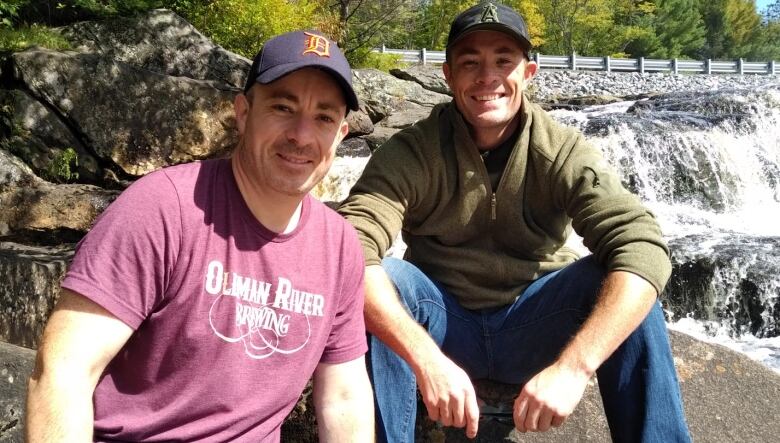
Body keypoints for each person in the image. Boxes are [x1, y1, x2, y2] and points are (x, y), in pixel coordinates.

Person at [338, 2, 690, 442]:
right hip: (444, 324)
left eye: (504, 60)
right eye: (470, 62)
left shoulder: (560, 149)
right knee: (381, 278)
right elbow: (351, 244)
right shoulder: (412, 152)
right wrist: (426, 360)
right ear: (448, 75)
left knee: (622, 278)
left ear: (529, 72)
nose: (488, 76)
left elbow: (642, 246)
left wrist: (573, 368)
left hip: (536, 323)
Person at [26, 30, 374, 442]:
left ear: (341, 134)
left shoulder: (339, 247)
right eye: (283, 107)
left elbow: (344, 397)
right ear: (243, 112)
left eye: (324, 117)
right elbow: (64, 370)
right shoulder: (163, 208)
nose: (301, 135)